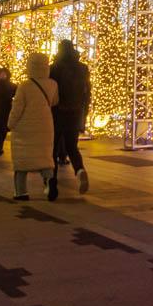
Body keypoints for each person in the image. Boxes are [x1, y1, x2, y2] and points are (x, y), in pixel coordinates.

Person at [8, 52, 60, 201]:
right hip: (46, 125)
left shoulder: (24, 85)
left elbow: (17, 108)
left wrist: (10, 124)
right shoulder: (52, 84)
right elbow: (55, 101)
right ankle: (49, 180)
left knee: (21, 161)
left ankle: (21, 192)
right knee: (44, 156)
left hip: (25, 126)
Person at [49, 40, 91, 194]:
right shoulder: (82, 69)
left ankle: (52, 182)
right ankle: (79, 170)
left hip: (56, 113)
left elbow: (50, 93)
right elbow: (87, 94)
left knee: (52, 148)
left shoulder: (54, 68)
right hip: (75, 113)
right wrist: (83, 114)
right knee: (72, 147)